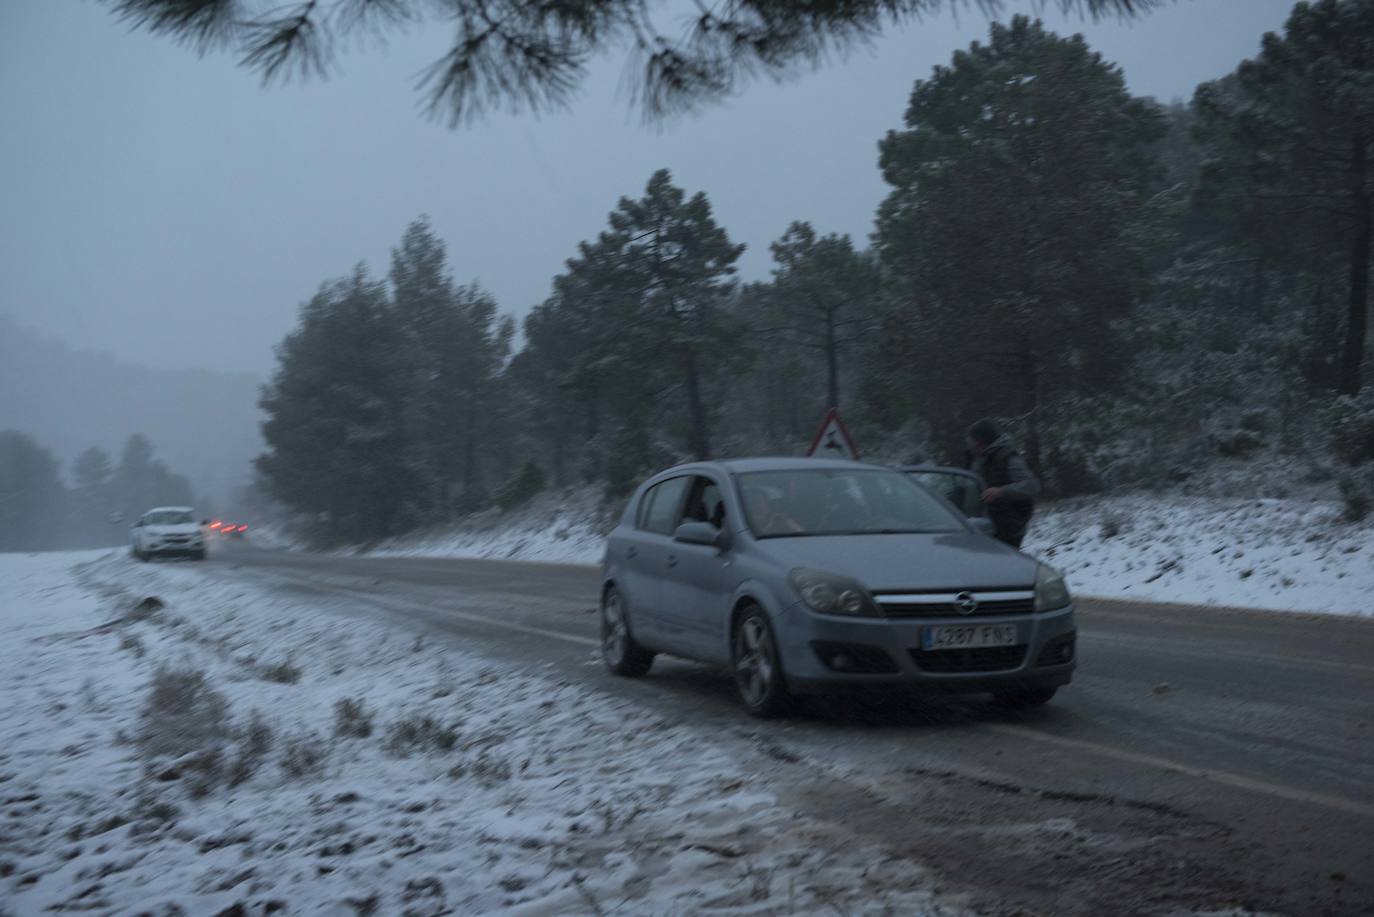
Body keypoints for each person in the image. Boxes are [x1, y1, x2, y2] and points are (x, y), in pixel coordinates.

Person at [965, 418, 1040, 549]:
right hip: (987, 527)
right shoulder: (978, 458)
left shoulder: (1007, 458)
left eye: (971, 440)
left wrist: (1001, 491)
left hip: (1009, 529)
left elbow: (1032, 486)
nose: (968, 443)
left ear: (981, 440)